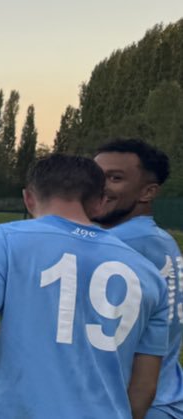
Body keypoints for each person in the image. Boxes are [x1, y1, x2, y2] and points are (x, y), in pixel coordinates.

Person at [0, 154, 169, 417]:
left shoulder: (1, 240)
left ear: (28, 198)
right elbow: (144, 387)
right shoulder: (149, 272)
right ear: (100, 203)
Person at [94, 139, 183, 418]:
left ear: (148, 192)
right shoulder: (161, 239)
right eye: (96, 177)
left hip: (133, 403)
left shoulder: (117, 244)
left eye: (115, 178)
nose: (100, 186)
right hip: (166, 397)